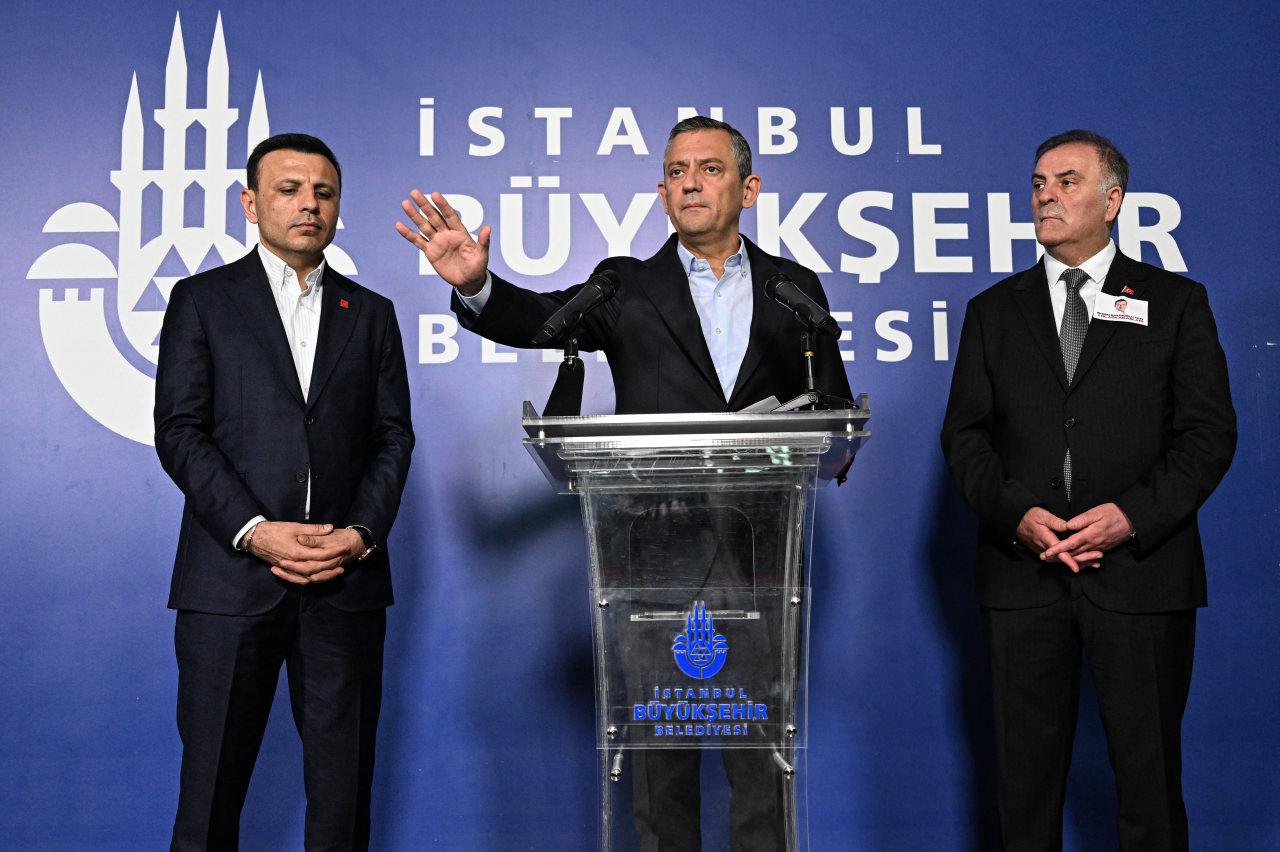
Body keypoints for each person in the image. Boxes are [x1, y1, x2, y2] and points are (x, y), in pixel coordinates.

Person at [397, 116, 851, 850]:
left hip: (762, 557)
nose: (690, 184)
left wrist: (825, 445)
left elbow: (832, 414)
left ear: (749, 189)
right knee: (659, 771)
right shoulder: (627, 286)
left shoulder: (793, 289)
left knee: (760, 768)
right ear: (662, 194)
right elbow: (543, 320)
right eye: (676, 172)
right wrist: (478, 285)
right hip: (656, 558)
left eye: (709, 169)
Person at [940, 129, 1236, 849]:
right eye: (1038, 183)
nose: (1046, 195)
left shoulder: (1175, 302)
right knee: (1023, 789)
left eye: (1066, 181)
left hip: (1142, 573)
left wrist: (1131, 517)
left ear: (1112, 201)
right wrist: (1018, 515)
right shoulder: (992, 311)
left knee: (1149, 786)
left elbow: (1207, 436)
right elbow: (966, 439)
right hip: (1025, 577)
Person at [155, 133, 414, 850]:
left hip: (343, 584)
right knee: (208, 800)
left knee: (342, 804)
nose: (309, 205)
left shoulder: (372, 313)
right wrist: (255, 530)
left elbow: (393, 438)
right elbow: (178, 430)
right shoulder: (202, 300)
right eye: (289, 189)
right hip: (229, 582)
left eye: (323, 193)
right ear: (250, 203)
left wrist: (359, 535)